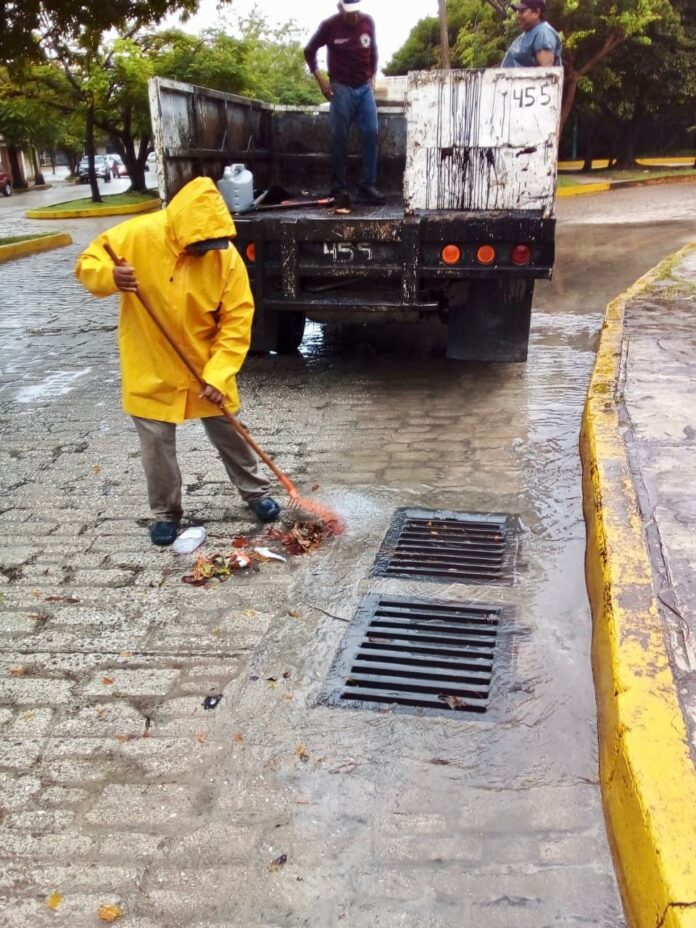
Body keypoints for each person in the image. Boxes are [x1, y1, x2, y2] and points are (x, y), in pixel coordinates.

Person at [75, 176, 281, 547]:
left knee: (230, 428)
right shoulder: (137, 235)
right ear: (182, 229)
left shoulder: (223, 256)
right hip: (150, 362)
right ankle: (165, 513)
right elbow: (87, 264)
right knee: (156, 444)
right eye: (200, 244)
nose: (208, 250)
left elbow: (237, 319)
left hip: (205, 365)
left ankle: (256, 492)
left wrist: (218, 375)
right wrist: (110, 276)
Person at [304, 0, 385, 208]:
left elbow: (374, 51)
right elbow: (309, 51)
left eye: (357, 11)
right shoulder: (329, 26)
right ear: (340, 8)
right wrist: (322, 82)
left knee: (371, 132)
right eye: (350, 13)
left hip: (364, 88)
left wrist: (372, 77)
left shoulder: (369, 22)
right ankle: (338, 189)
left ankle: (367, 186)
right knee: (339, 137)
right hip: (341, 88)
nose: (354, 16)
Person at [501, 0, 562, 68]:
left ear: (536, 12)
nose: (517, 15)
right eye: (518, 11)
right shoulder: (529, 33)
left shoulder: (543, 34)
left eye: (522, 11)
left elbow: (546, 73)